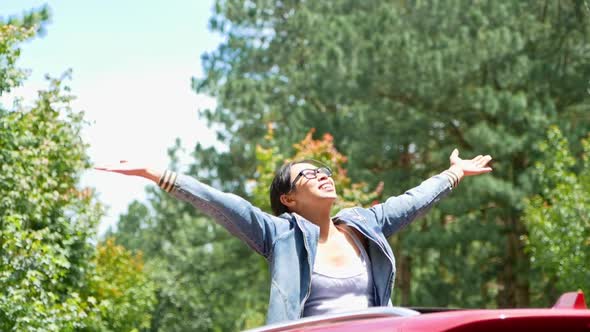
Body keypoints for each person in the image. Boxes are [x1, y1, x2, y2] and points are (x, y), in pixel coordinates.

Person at [95, 148, 492, 325]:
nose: (322, 174)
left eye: (323, 171)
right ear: (288, 199)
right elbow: (223, 203)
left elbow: (413, 200)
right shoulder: (279, 235)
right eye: (308, 174)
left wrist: (454, 172)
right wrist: (155, 173)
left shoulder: (365, 226)